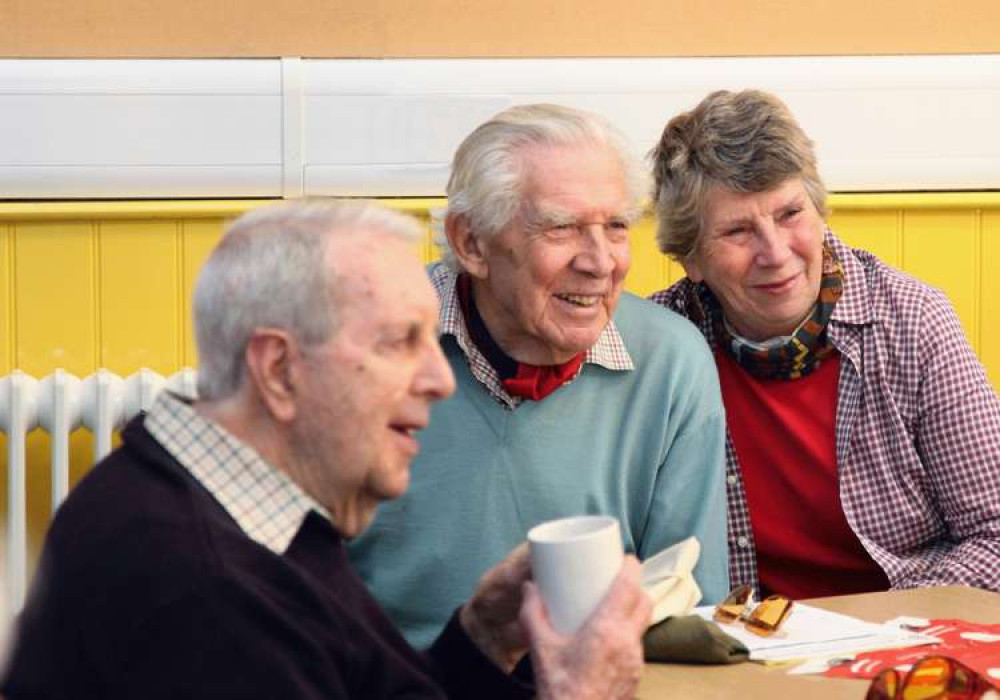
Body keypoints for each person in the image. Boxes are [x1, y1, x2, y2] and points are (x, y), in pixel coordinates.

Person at [0, 201, 653, 700]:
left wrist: (481, 641)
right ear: (280, 370)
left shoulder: (244, 514)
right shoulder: (206, 592)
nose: (440, 379)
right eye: (399, 342)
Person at [348, 104, 729, 648]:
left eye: (616, 227)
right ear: (471, 243)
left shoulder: (672, 363)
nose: (600, 262)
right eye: (562, 228)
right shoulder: (360, 351)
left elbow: (691, 597)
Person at [649, 89, 1000, 600]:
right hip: (735, 650)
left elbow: (995, 536)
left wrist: (860, 628)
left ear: (819, 211)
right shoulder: (659, 346)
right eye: (738, 230)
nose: (775, 252)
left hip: (900, 636)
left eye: (790, 214)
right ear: (691, 259)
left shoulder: (912, 321)